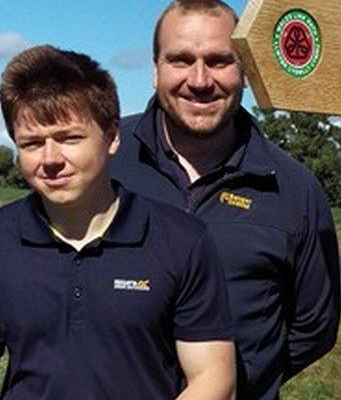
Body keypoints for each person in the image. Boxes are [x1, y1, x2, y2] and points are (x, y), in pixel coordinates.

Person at [109, 0, 341, 399]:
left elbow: (314, 327)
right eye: (180, 60)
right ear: (155, 70)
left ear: (246, 71)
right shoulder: (106, 160)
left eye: (219, 61)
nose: (199, 81)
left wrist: (248, 377)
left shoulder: (293, 188)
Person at [0, 45, 236, 398]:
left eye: (69, 138)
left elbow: (213, 377)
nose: (50, 159)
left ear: (112, 137)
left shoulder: (182, 241)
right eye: (32, 143)